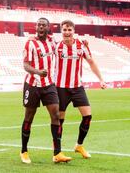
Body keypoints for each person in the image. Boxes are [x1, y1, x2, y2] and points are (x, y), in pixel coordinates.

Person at [20, 17, 71, 164]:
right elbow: (25, 65)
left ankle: (57, 153)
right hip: (33, 84)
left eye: (43, 25)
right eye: (38, 25)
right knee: (29, 117)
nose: (41, 27)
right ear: (36, 27)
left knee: (56, 115)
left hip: (49, 85)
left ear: (48, 27)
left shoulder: (52, 41)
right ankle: (24, 151)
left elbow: (65, 44)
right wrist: (37, 71)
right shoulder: (30, 43)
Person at [54, 20, 106, 159]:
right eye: (64, 29)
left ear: (73, 31)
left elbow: (91, 62)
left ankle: (79, 145)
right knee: (59, 121)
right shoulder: (56, 46)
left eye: (69, 29)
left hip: (77, 87)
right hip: (60, 88)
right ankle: (57, 152)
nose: (67, 32)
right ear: (61, 31)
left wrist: (101, 79)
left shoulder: (81, 46)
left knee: (87, 116)